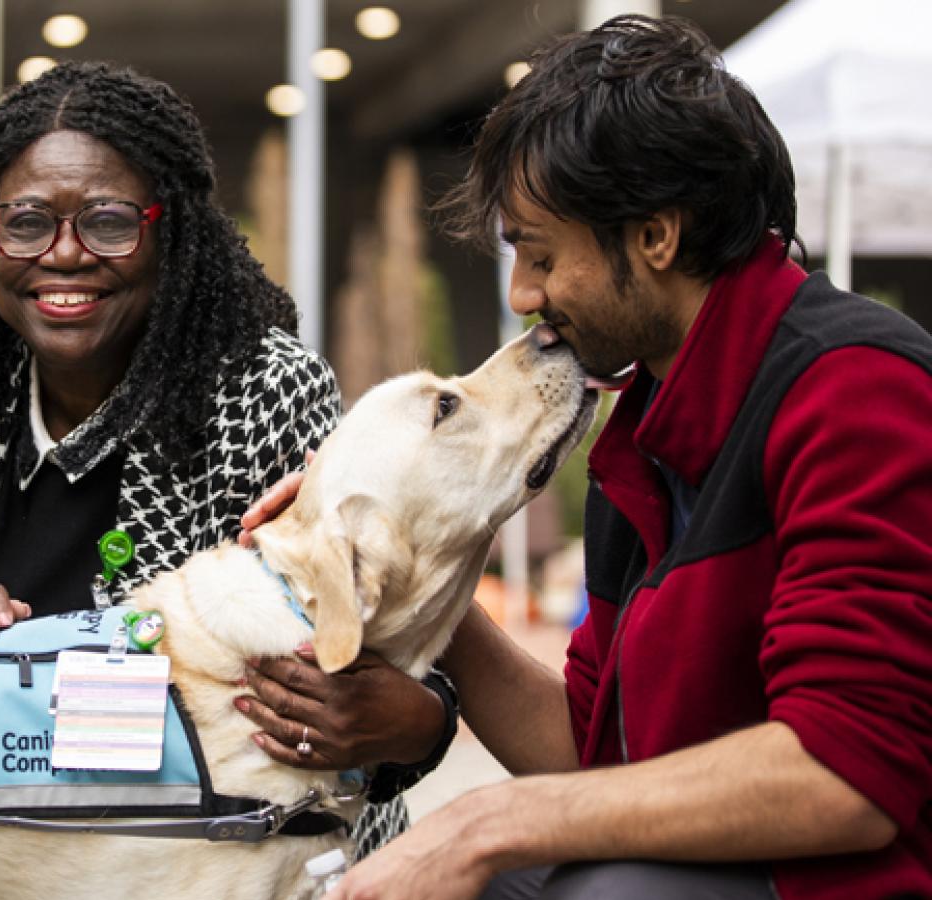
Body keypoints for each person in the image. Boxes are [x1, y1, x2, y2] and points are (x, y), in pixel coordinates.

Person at [249, 14, 929, 900]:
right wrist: (415, 558)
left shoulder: (857, 391)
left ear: (655, 235)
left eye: (540, 255)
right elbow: (592, 749)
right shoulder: (643, 419)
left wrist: (488, 823)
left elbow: (845, 773)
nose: (524, 295)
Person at [0, 61, 455, 856]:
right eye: (28, 222)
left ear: (166, 234)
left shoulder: (262, 386)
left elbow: (362, 643)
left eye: (108, 222)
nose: (64, 255)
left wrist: (428, 718)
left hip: (224, 850)